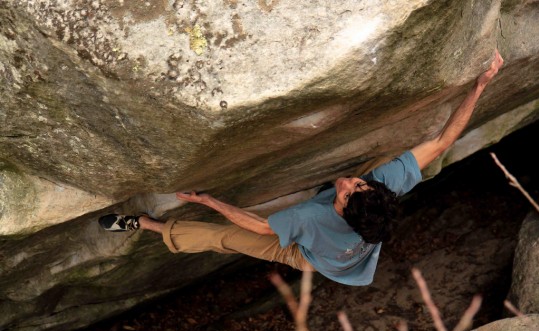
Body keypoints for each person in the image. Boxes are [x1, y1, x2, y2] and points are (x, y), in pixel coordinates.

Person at [99, 50, 504, 286]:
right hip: (352, 251)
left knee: (222, 237)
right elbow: (443, 141)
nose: (347, 183)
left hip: (310, 257)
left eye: (345, 194)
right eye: (357, 185)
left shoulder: (308, 219)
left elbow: (257, 227)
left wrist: (208, 200)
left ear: (339, 208)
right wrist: (480, 86)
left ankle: (146, 225)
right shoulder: (383, 187)